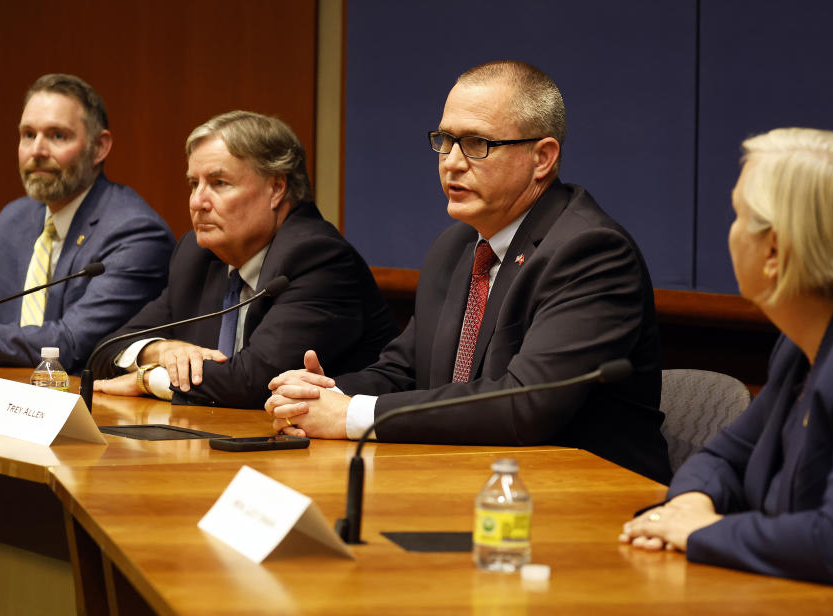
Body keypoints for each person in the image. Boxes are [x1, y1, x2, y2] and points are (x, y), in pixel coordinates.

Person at [265, 60, 671, 483]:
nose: (451, 162)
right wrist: (320, 395)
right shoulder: (456, 246)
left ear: (542, 158)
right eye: (446, 140)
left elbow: (525, 405)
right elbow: (404, 373)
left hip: (587, 503)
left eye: (477, 143)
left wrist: (351, 416)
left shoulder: (590, 252)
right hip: (467, 482)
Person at [619, 128, 833, 587]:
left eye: (738, 215)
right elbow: (723, 457)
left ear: (773, 251)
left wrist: (705, 531)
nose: (729, 231)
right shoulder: (803, 342)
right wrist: (688, 504)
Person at [91, 110, 397, 407]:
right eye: (193, 184)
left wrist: (149, 380)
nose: (197, 202)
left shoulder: (318, 258)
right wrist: (160, 350)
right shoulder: (198, 256)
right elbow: (105, 351)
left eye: (219, 183)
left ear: (276, 188)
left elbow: (253, 382)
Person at [0, 74, 174, 372]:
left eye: (57, 136)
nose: (37, 151)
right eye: (28, 135)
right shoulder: (13, 220)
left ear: (99, 147)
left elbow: (68, 344)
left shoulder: (136, 233)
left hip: (88, 408)